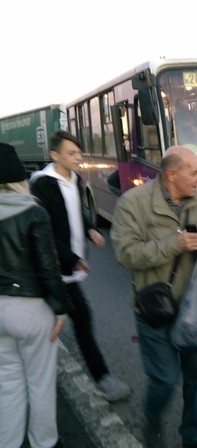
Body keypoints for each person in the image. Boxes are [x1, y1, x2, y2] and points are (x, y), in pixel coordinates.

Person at [110, 146, 197, 448]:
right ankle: (152, 416)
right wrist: (174, 243)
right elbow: (125, 254)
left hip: (192, 310)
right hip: (154, 308)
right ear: (172, 174)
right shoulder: (133, 203)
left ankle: (193, 437)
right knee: (165, 378)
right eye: (195, 171)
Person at [29, 130, 131, 402]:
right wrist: (73, 259)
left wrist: (90, 230)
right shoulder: (42, 185)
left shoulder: (75, 179)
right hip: (53, 270)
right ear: (55, 155)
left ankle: (41, 381)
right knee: (76, 321)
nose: (78, 158)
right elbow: (44, 232)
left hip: (70, 269)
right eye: (72, 153)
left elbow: (76, 213)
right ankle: (101, 379)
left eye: (79, 152)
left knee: (70, 322)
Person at [0, 143, 72, 448]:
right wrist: (61, 310)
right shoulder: (33, 211)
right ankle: (45, 444)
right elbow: (47, 268)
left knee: (8, 381)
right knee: (40, 382)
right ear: (19, 178)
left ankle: (8, 444)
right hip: (31, 309)